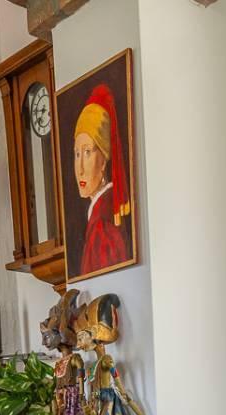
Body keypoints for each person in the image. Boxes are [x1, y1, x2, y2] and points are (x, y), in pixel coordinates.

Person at [70, 83, 132, 277]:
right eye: (77, 154)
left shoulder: (102, 226)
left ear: (104, 160)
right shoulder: (100, 215)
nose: (80, 168)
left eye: (87, 152)